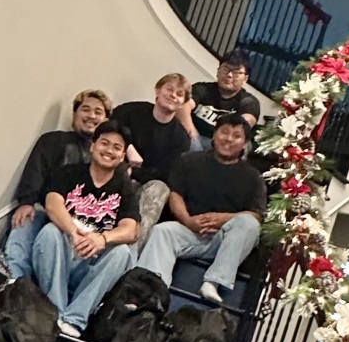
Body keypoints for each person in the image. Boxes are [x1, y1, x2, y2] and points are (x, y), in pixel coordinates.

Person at [137, 113, 267, 305]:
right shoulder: (189, 160)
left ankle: (213, 281)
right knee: (162, 231)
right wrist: (188, 221)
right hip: (191, 230)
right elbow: (175, 195)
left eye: (236, 136)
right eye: (224, 132)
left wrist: (223, 219)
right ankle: (151, 292)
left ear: (245, 143)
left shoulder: (253, 177)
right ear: (214, 134)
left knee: (249, 224)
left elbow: (255, 214)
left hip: (224, 240)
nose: (229, 139)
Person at [32, 121, 140, 337]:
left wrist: (102, 238)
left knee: (122, 252)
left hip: (90, 265)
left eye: (117, 148)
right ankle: (56, 312)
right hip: (59, 256)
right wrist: (73, 232)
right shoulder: (67, 173)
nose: (109, 150)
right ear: (93, 146)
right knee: (50, 231)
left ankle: (75, 319)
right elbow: (53, 204)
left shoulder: (124, 188)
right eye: (104, 143)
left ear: (122, 157)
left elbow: (131, 230)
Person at [4, 89, 113, 279]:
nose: (91, 116)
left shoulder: (106, 157)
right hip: (44, 210)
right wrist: (26, 202)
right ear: (75, 115)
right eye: (85, 110)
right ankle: (15, 284)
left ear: (105, 121)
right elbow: (34, 172)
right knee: (23, 223)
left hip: (81, 223)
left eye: (98, 112)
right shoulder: (53, 140)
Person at [113, 73, 192, 251]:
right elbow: (107, 128)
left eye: (179, 94)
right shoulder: (131, 111)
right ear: (158, 91)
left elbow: (165, 174)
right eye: (169, 89)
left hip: (144, 185)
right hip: (113, 171)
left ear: (182, 102)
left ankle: (129, 253)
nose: (173, 95)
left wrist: (133, 172)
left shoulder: (180, 138)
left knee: (160, 189)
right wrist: (128, 148)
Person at [177, 51, 261, 152]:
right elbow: (183, 106)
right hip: (194, 138)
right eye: (225, 69)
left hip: (224, 144)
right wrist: (191, 131)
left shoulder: (249, 102)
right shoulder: (201, 89)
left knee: (242, 146)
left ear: (245, 79)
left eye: (236, 72)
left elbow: (242, 126)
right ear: (217, 71)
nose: (229, 75)